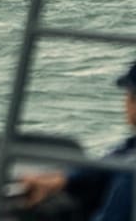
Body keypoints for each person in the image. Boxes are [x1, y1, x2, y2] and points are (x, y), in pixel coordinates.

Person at [22, 61, 136, 219]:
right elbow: (115, 159)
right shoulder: (129, 152)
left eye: (129, 95)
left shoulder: (129, 177)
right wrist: (63, 180)